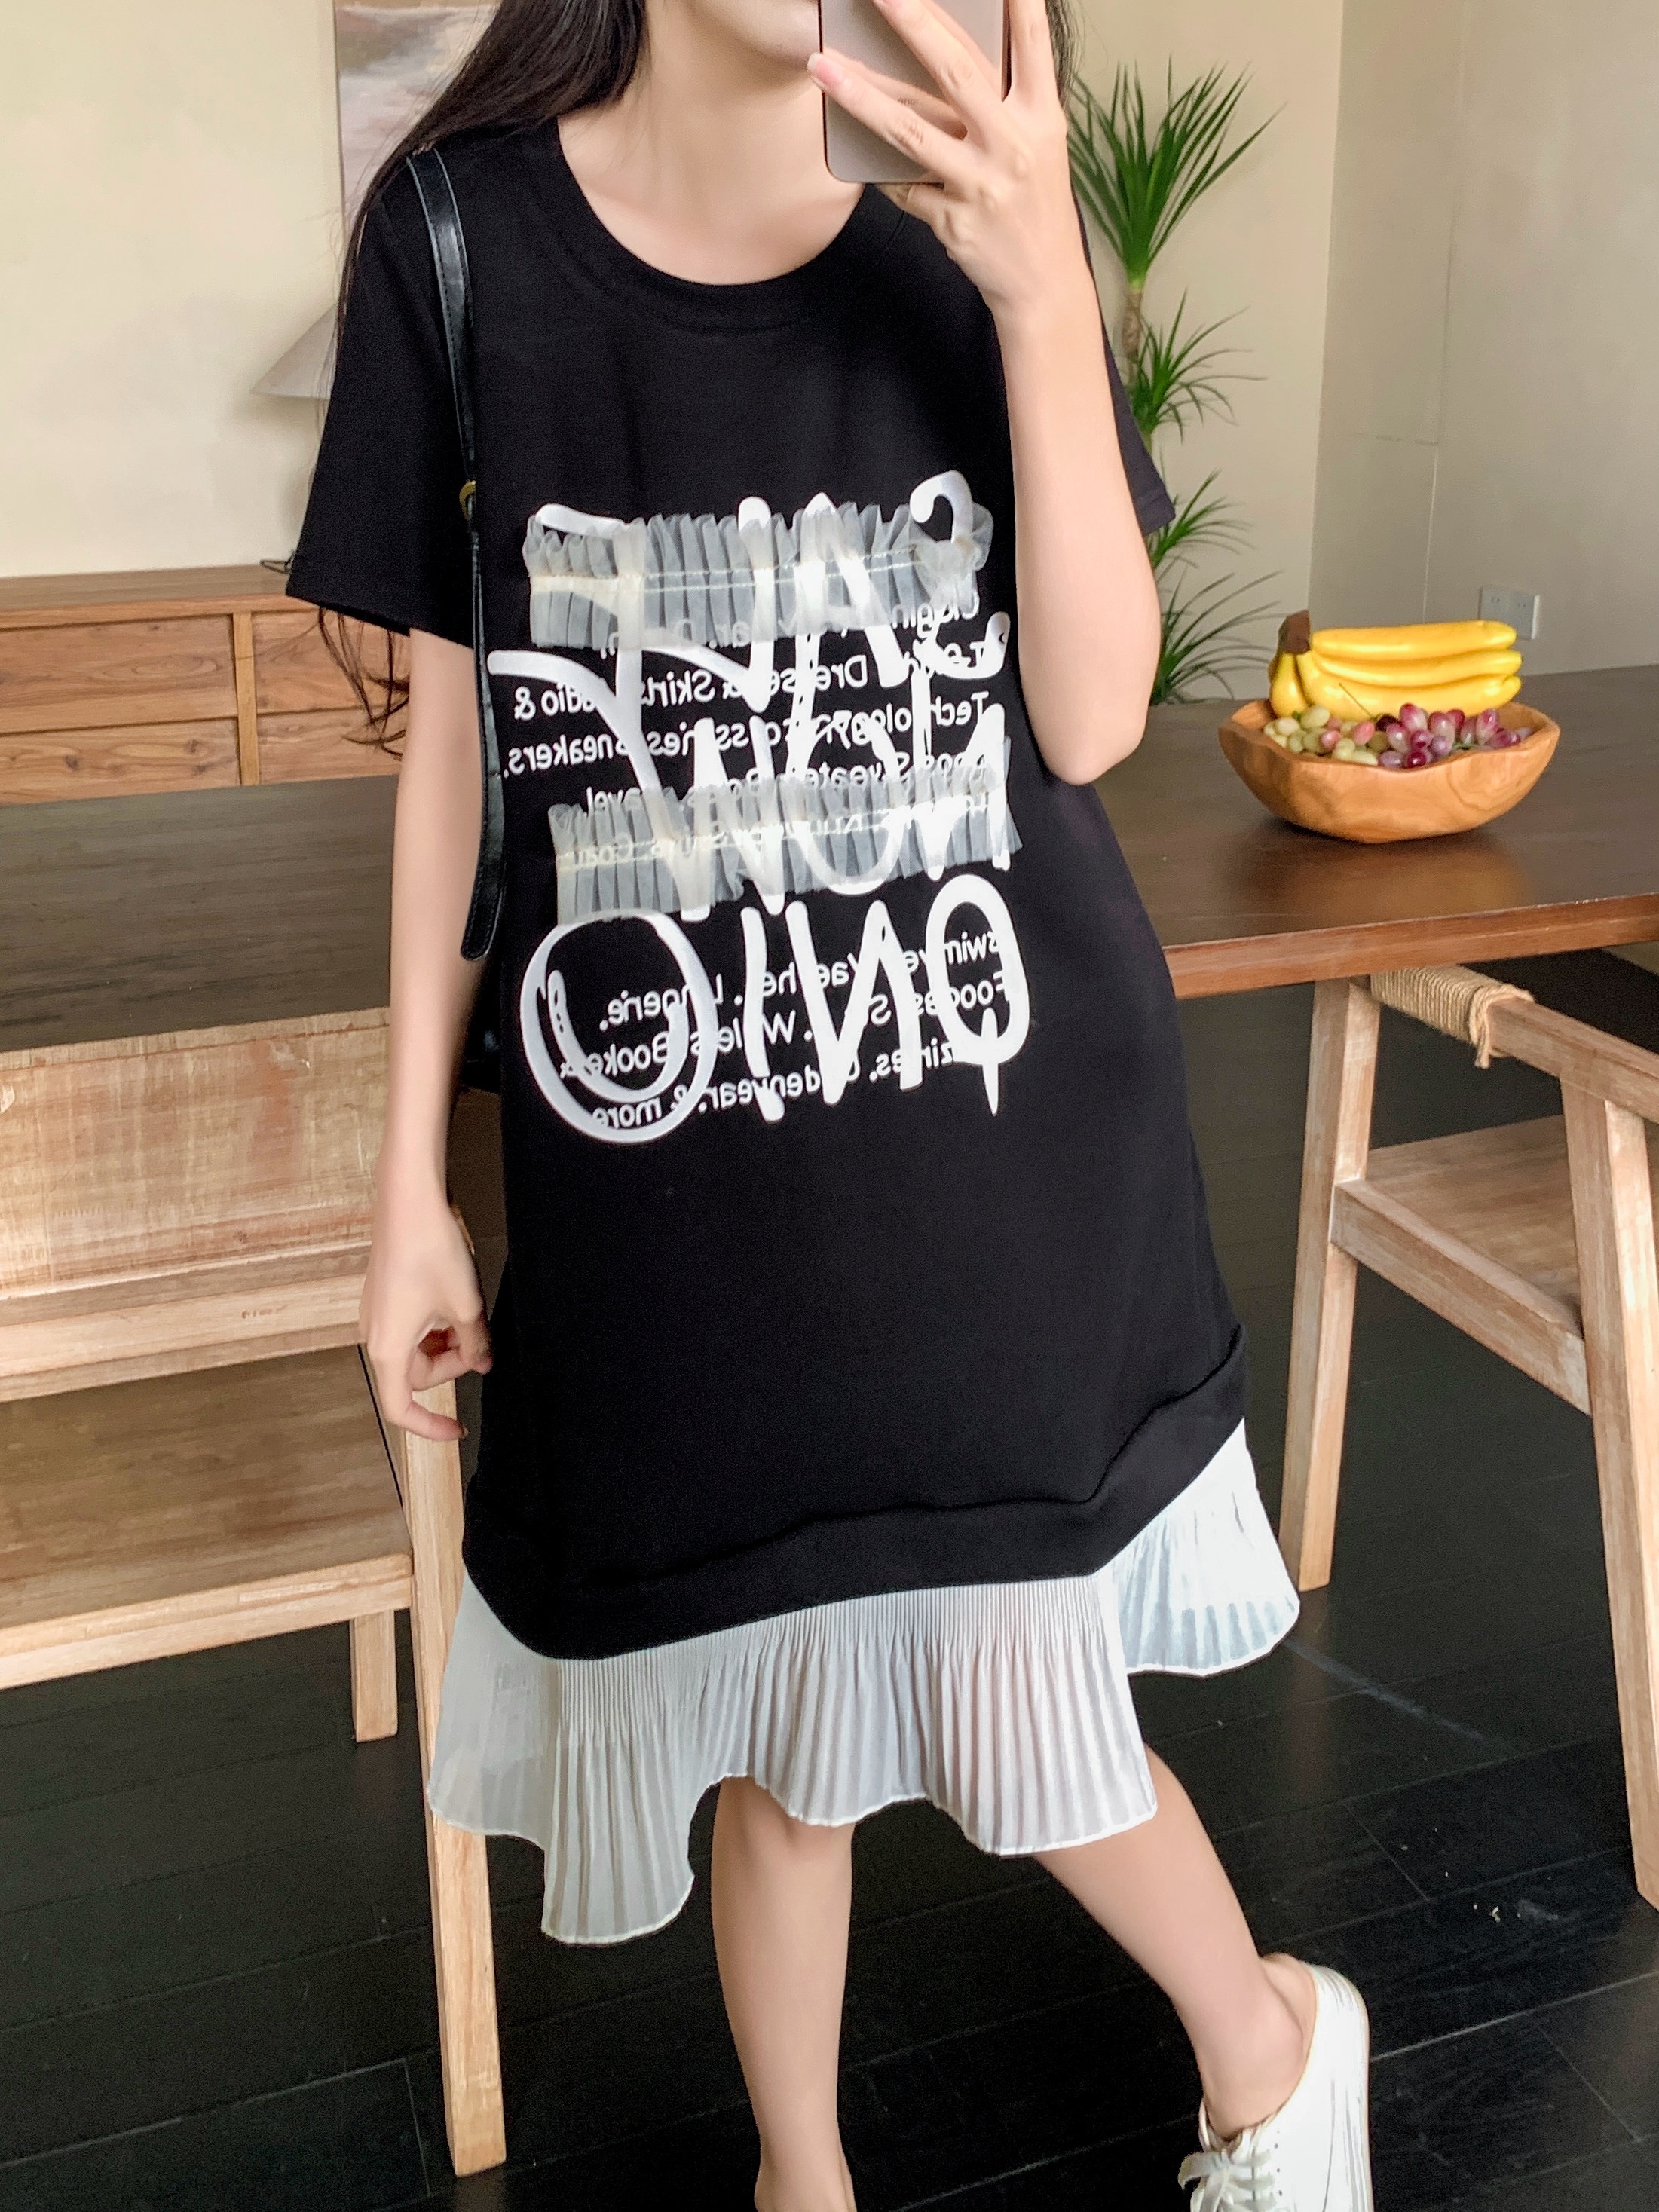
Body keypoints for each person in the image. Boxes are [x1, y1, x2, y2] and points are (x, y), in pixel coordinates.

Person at [288, 0, 1374, 2200]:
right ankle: (808, 2174)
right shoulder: (455, 238)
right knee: (776, 1717)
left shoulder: (971, 229)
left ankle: (1270, 2050)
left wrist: (1043, 293)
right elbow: (457, 752)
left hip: (993, 1151)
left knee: (1009, 1682)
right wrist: (407, 1182)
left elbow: (1090, 718)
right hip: (669, 1178)